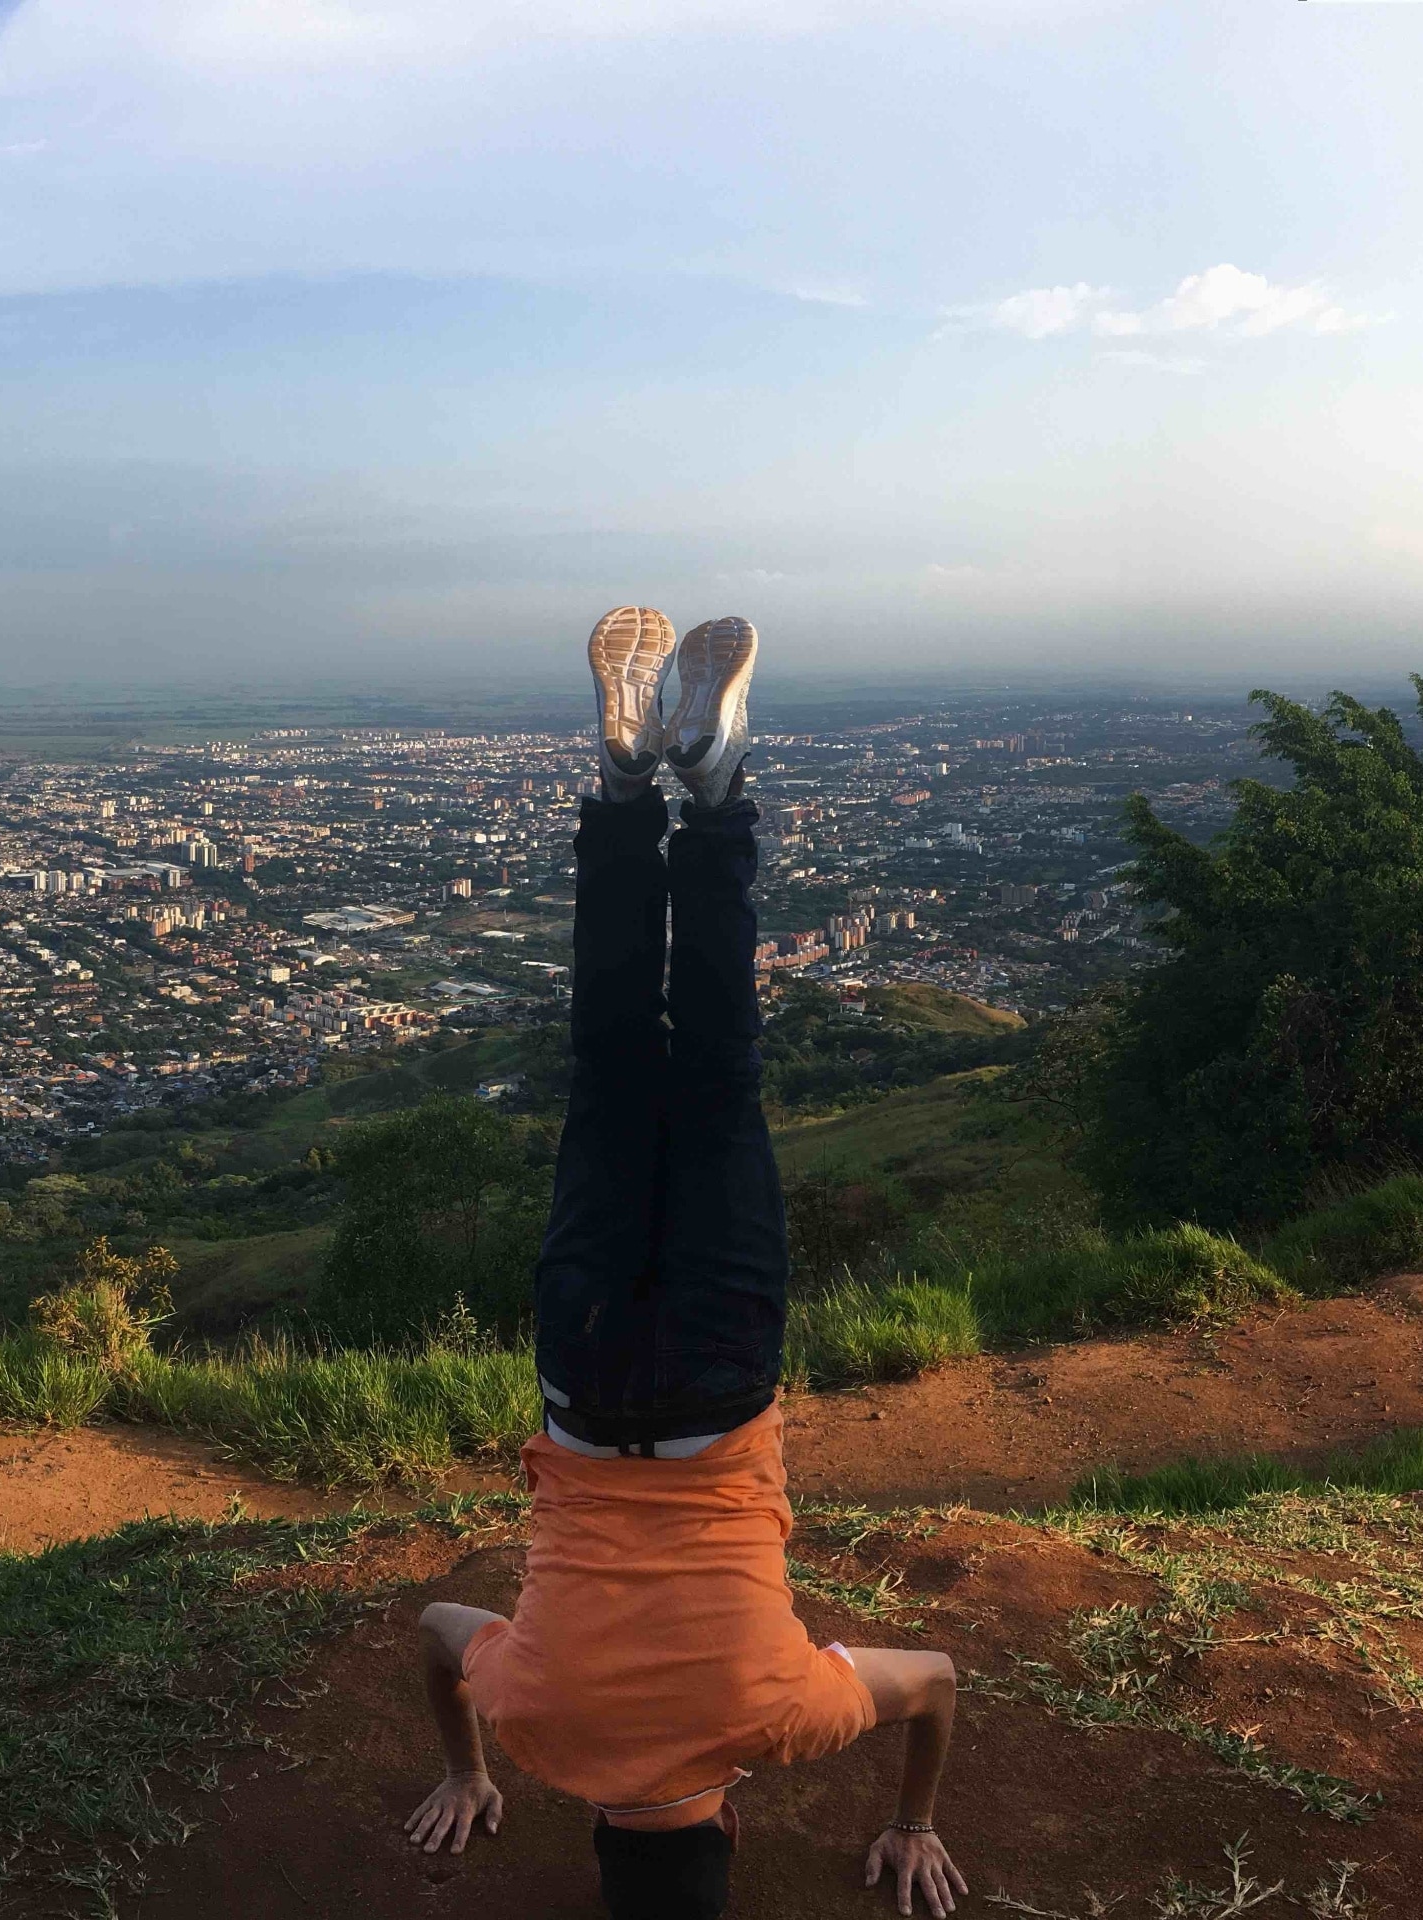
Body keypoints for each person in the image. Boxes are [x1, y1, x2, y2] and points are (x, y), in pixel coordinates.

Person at [393, 608, 968, 1920]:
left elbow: (932, 1678)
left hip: (718, 1379)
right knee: (610, 1067)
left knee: (714, 1071)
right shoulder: (538, 1725)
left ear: (727, 1836)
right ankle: (616, 788)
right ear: (602, 1841)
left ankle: (708, 798)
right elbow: (434, 1629)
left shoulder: (782, 1720)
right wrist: (470, 1769)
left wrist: (916, 1823)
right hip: (584, 1375)